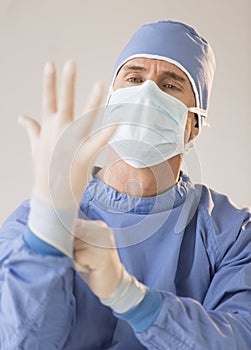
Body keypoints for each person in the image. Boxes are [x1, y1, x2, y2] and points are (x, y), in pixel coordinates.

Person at [0, 20, 250, 350]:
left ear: (194, 124)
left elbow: (240, 337)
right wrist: (48, 233)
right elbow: (18, 342)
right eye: (134, 78)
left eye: (170, 86)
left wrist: (130, 297)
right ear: (113, 101)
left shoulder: (232, 234)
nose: (147, 94)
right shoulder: (38, 218)